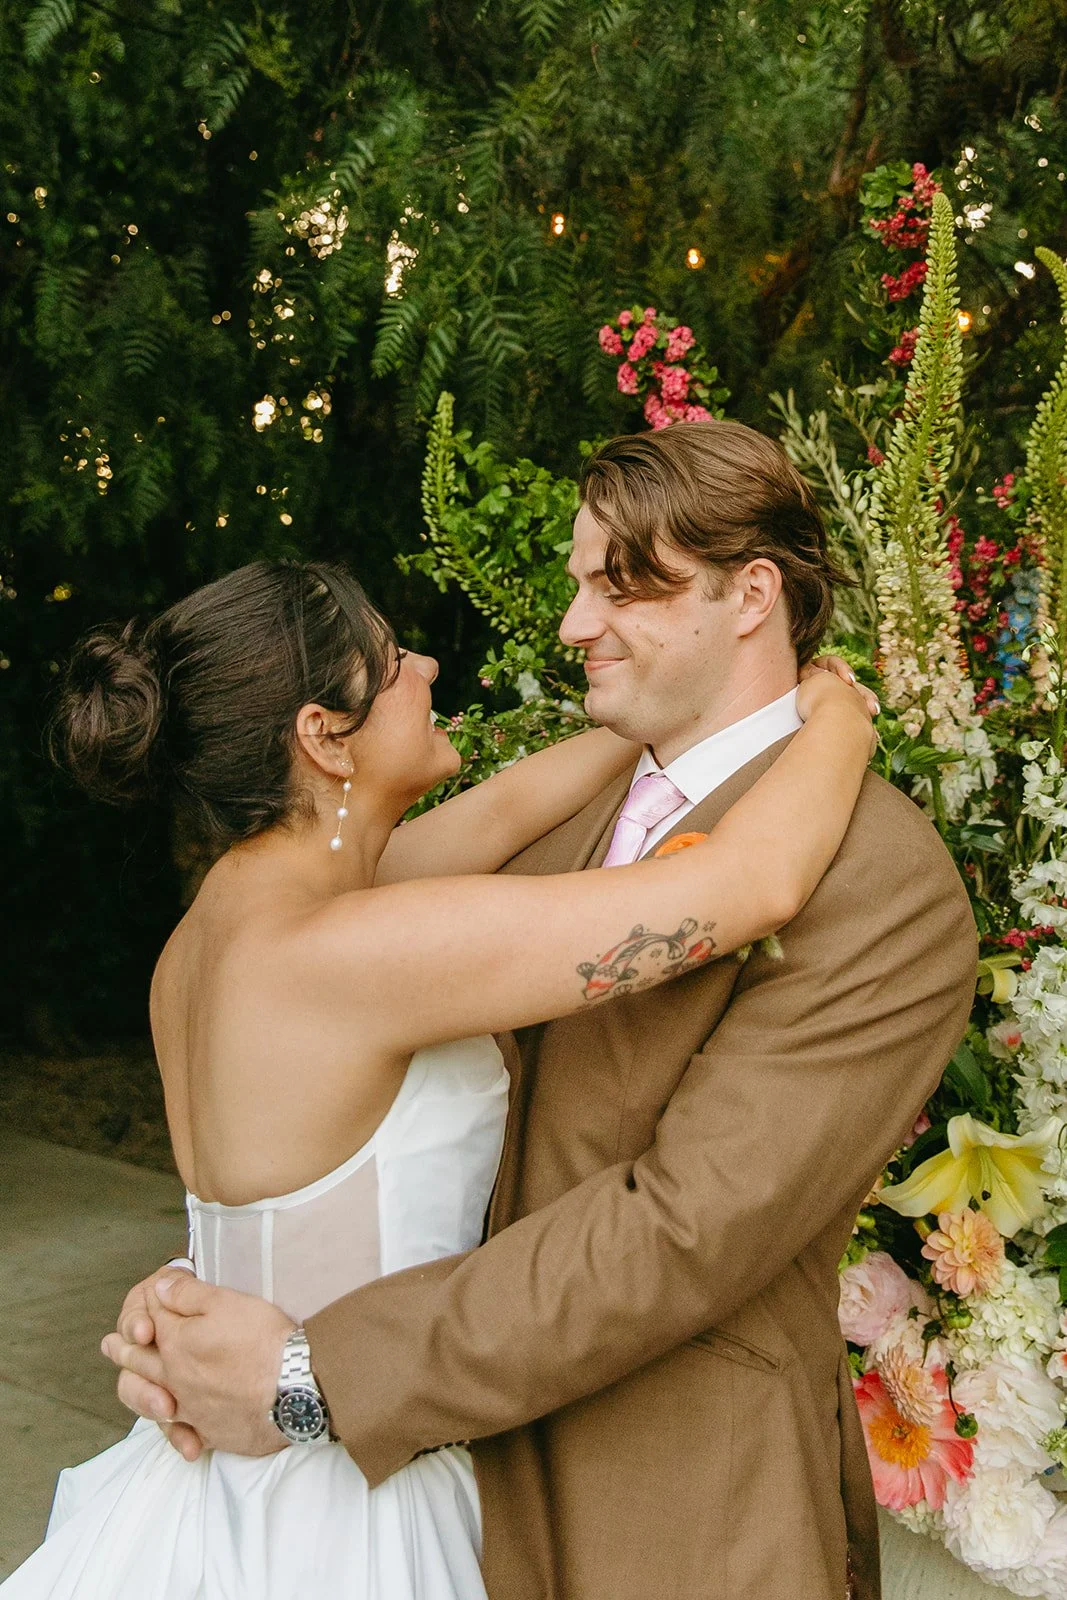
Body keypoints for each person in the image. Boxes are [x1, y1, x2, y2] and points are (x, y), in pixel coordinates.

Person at [3, 526, 877, 1600]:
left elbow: (511, 807)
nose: (423, 668)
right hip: (345, 1497)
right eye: (390, 659)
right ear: (325, 736)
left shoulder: (228, 926)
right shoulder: (352, 952)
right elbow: (751, 885)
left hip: (223, 1480)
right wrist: (833, 711)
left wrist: (674, 707)